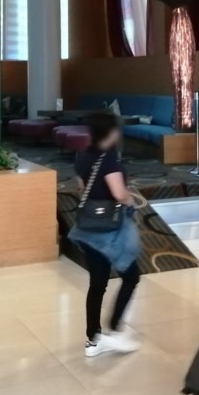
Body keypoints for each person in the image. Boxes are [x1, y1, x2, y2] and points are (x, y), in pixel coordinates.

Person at [68, 113, 142, 357]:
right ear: (110, 132)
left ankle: (93, 339)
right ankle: (115, 327)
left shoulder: (82, 156)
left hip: (88, 227)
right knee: (131, 276)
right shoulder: (108, 159)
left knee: (97, 284)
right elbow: (119, 193)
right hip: (110, 229)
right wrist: (131, 202)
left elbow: (82, 187)